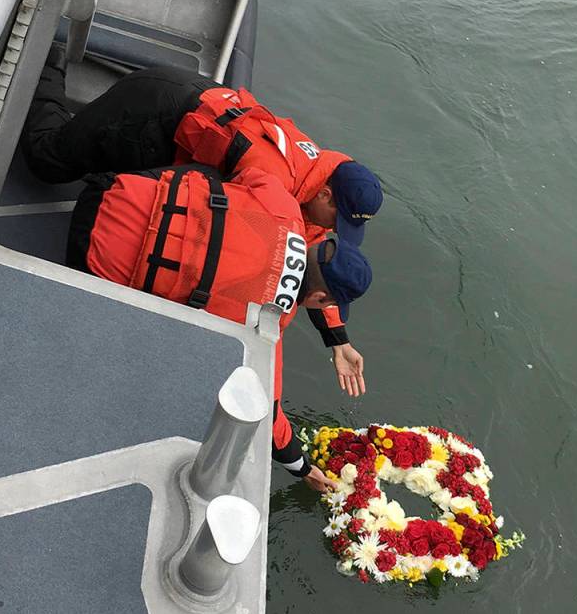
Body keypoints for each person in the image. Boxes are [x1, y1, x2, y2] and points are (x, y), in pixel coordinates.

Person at [20, 51, 380, 396]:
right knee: (47, 159)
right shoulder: (275, 175)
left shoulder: (314, 180)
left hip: (189, 111)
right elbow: (292, 257)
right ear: (326, 195)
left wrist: (337, 340)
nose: (334, 232)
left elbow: (314, 262)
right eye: (339, 221)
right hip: (156, 113)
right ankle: (46, 60)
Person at [68, 162, 373, 492]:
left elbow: (247, 174)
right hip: (90, 256)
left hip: (109, 187)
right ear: (318, 298)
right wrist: (302, 467)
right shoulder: (263, 331)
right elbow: (268, 419)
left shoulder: (284, 205)